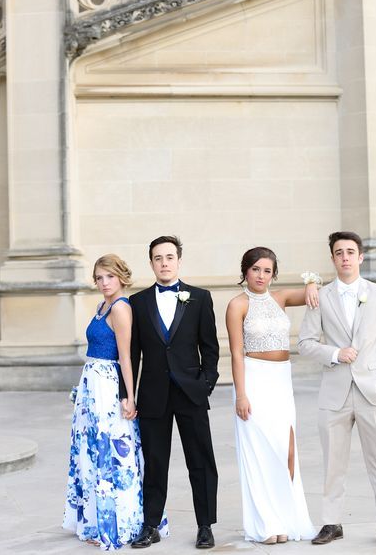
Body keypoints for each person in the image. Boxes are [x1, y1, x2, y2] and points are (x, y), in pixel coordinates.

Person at [298, 231, 376, 547]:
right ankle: (331, 522)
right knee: (333, 462)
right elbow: (305, 343)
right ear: (332, 258)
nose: (345, 257)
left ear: (360, 257)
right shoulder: (320, 296)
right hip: (335, 392)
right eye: (339, 252)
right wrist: (334, 354)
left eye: (350, 251)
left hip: (372, 390)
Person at [63, 254, 168, 550]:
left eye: (109, 276)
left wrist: (129, 396)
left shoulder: (121, 308)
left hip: (109, 386)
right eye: (99, 277)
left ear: (121, 277)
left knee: (114, 453)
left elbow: (126, 356)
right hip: (92, 385)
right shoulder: (102, 305)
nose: (104, 282)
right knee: (93, 451)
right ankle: (96, 519)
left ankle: (120, 522)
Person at [124, 236, 219, 550]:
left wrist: (206, 382)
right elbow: (133, 353)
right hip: (153, 395)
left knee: (200, 460)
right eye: (157, 258)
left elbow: (210, 347)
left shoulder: (200, 298)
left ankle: (205, 526)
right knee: (154, 462)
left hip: (190, 392)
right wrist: (129, 394)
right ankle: (150, 525)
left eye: (169, 257)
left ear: (178, 260)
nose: (164, 263)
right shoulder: (137, 303)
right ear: (151, 263)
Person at [225, 246, 320, 544]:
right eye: (256, 269)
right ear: (245, 272)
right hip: (253, 379)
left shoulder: (280, 298)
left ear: (273, 274)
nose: (261, 276)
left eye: (267, 270)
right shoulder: (237, 305)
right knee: (259, 452)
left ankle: (287, 518)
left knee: (287, 451)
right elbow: (236, 353)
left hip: (281, 380)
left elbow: (312, 294)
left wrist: (313, 282)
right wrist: (241, 394)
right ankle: (267, 524)